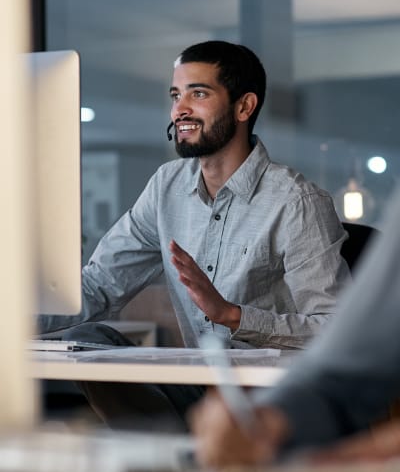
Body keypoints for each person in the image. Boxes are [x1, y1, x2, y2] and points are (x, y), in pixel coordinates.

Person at [38, 40, 350, 431]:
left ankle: (182, 448)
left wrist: (233, 317)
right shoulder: (166, 186)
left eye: (198, 93)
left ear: (244, 106)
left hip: (271, 400)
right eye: (175, 95)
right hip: (197, 386)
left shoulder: (296, 202)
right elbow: (100, 285)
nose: (179, 109)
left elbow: (336, 331)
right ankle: (174, 447)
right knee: (89, 338)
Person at [190, 184, 400, 467]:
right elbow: (339, 378)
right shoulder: (166, 189)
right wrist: (269, 422)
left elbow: (327, 326)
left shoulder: (300, 200)